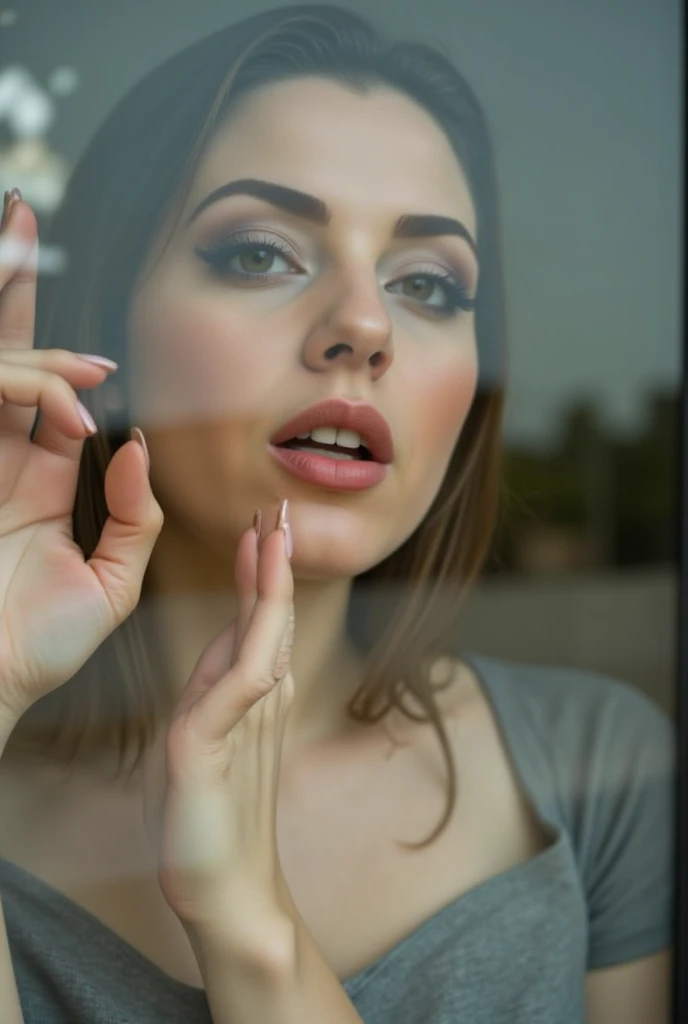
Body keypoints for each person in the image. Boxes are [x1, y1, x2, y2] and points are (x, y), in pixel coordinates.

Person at [0, 5, 674, 1023]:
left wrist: (254, 932)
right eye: (260, 253)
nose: (363, 324)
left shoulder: (601, 767)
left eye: (429, 284)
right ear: (104, 330)